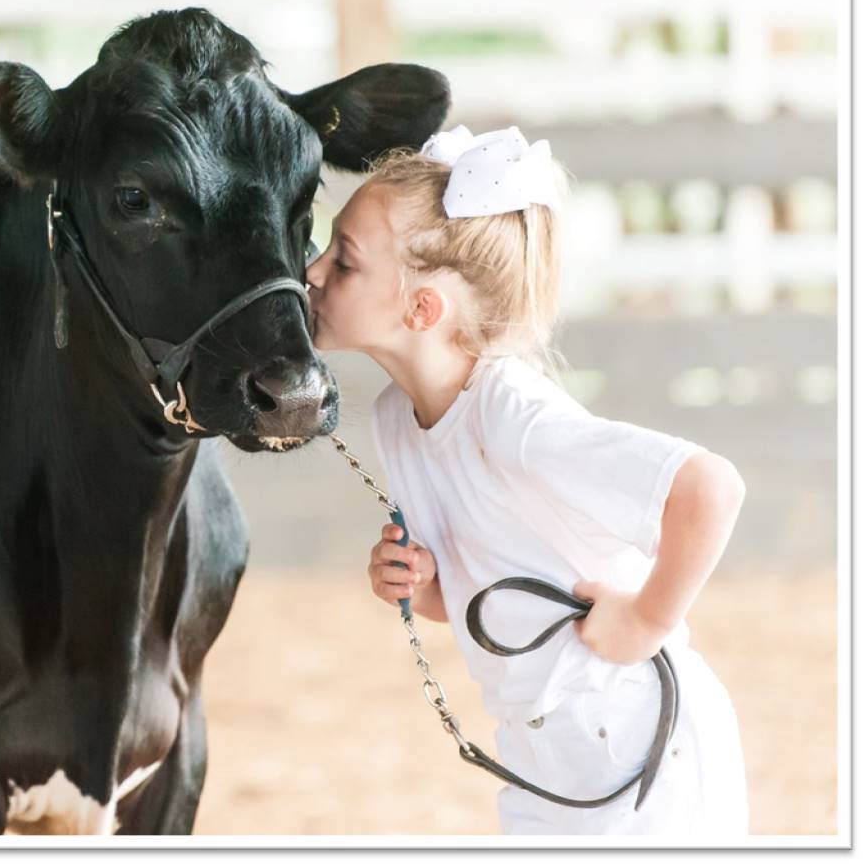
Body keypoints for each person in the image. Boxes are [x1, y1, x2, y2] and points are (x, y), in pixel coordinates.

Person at [304, 125, 749, 835]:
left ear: (421, 310)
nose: (314, 271)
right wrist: (419, 581)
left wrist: (648, 618)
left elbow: (710, 486)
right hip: (544, 765)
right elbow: (474, 597)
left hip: (643, 752)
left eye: (345, 261)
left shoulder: (510, 414)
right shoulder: (395, 419)